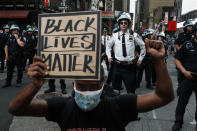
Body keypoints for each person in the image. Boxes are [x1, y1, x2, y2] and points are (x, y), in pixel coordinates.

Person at [8, 38, 174, 130]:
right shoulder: (61, 106)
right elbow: (16, 109)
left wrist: (159, 60)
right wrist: (34, 86)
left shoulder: (118, 105)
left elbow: (163, 97)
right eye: (81, 86)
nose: (87, 91)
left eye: (94, 86)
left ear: (103, 85)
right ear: (73, 85)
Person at [106, 12, 146, 93]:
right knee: (115, 90)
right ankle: (116, 105)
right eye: (121, 23)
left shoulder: (134, 35)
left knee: (131, 91)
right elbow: (108, 46)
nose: (123, 24)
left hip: (129, 67)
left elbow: (143, 46)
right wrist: (109, 56)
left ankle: (130, 105)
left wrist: (140, 59)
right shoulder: (115, 35)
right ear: (119, 24)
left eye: (125, 23)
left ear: (128, 24)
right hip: (117, 67)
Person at [171, 22, 197, 131]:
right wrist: (184, 72)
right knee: (182, 101)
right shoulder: (187, 44)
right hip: (188, 77)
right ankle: (178, 121)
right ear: (195, 33)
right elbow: (177, 59)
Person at [174, 20, 193, 95]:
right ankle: (180, 86)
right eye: (189, 26)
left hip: (190, 57)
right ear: (185, 27)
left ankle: (188, 89)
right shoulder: (181, 35)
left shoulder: (193, 35)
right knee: (180, 73)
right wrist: (180, 51)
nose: (190, 28)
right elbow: (176, 44)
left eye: (191, 26)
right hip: (181, 58)